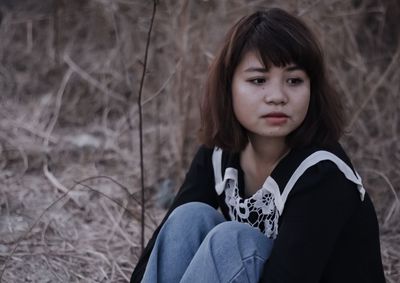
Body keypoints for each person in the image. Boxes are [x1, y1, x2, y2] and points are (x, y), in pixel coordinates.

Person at [131, 8, 386, 283]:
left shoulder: (322, 173)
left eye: (294, 80)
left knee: (231, 242)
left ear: (313, 89)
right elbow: (167, 240)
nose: (277, 96)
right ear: (228, 87)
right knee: (188, 218)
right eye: (258, 80)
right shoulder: (219, 154)